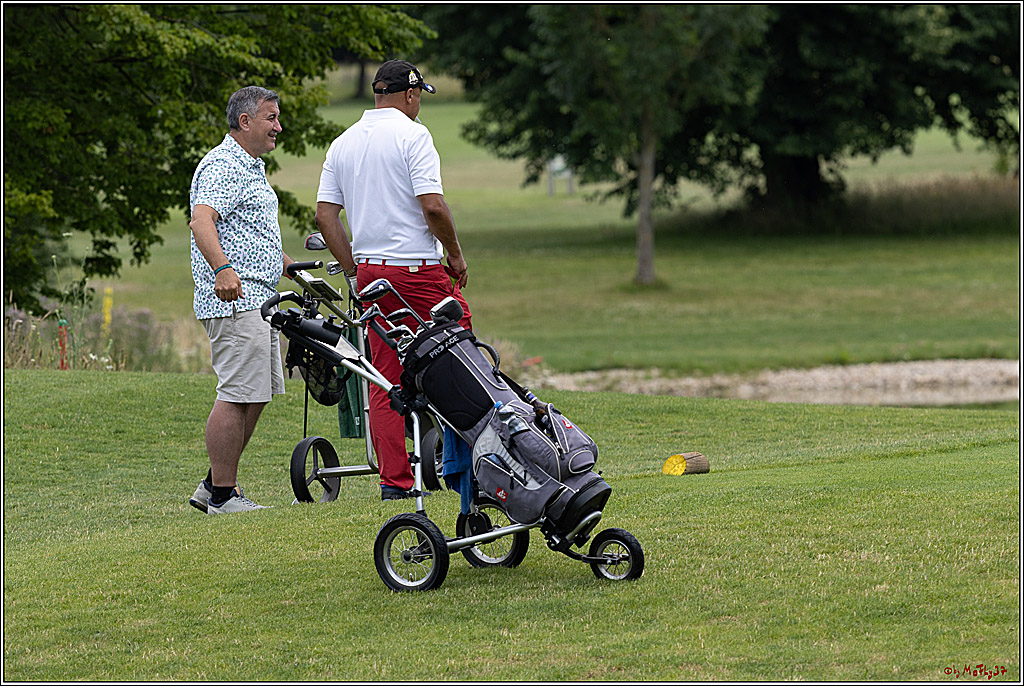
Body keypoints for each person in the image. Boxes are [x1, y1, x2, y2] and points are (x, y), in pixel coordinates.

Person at [314, 60, 471, 501]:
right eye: (419, 97)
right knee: (463, 364)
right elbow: (434, 208)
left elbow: (325, 216)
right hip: (419, 272)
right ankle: (466, 471)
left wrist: (351, 270)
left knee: (385, 378)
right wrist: (455, 255)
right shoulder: (414, 135)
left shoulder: (342, 143)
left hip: (371, 272)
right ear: (410, 94)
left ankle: (395, 484)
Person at [187, 85, 294, 514]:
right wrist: (223, 270)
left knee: (257, 392)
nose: (278, 127)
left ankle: (212, 485)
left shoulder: (249, 167)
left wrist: (282, 262)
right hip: (235, 299)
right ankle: (223, 495)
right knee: (236, 393)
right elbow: (201, 222)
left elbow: (244, 229)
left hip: (258, 296)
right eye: (271, 118)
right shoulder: (223, 164)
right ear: (245, 121)